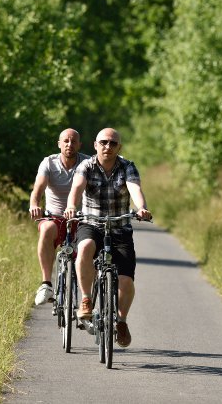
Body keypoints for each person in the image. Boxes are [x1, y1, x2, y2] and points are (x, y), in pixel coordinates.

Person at [64, 128, 151, 348]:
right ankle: (85, 299)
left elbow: (134, 189)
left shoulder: (127, 167)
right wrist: (72, 206)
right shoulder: (86, 166)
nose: (108, 147)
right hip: (91, 223)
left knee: (126, 280)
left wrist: (141, 208)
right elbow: (77, 187)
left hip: (120, 228)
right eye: (104, 142)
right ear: (95, 145)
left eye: (113, 144)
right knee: (84, 248)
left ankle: (121, 321)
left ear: (119, 147)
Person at [28, 128, 90, 306]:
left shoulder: (87, 163)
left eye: (73, 141)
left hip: (82, 218)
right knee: (46, 229)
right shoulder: (49, 163)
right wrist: (34, 205)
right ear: (59, 144)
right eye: (66, 141)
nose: (69, 144)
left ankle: (88, 298)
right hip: (54, 217)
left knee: (93, 247)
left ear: (80, 145)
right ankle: (46, 284)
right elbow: (37, 190)